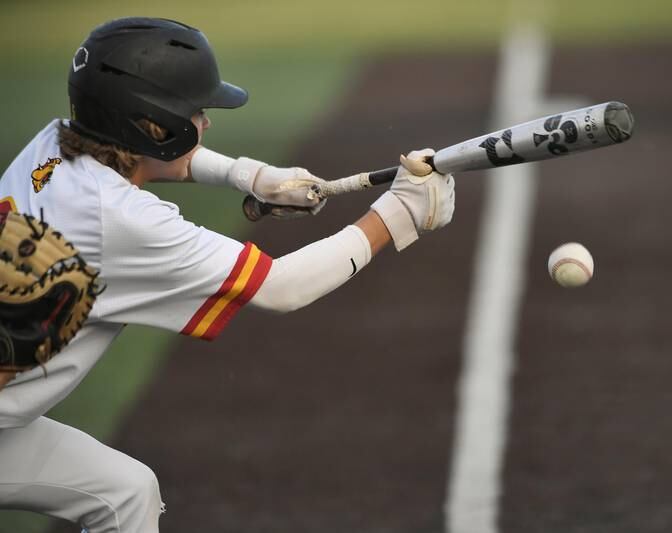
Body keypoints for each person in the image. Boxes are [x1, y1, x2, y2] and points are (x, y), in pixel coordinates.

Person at [0, 17, 454, 532]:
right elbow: (281, 287)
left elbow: (161, 160)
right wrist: (396, 215)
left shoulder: (54, 149)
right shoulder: (122, 221)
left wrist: (252, 176)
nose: (206, 121)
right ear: (155, 123)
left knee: (124, 493)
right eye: (195, 111)